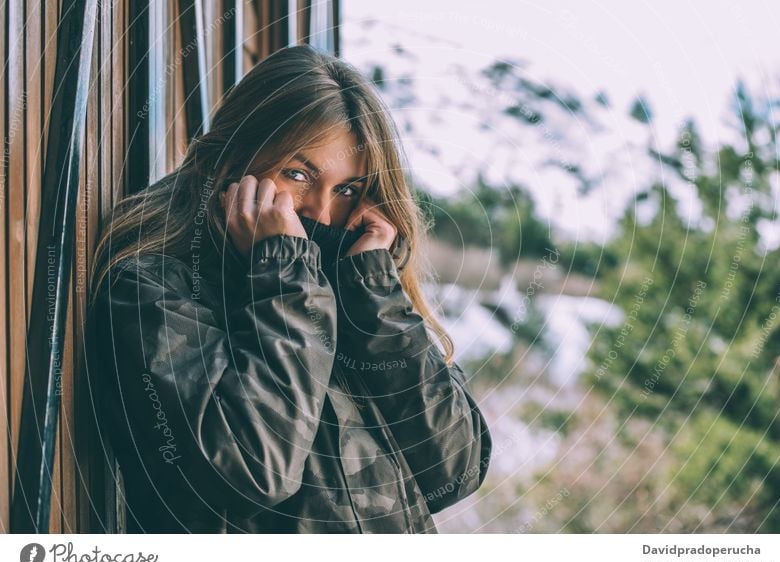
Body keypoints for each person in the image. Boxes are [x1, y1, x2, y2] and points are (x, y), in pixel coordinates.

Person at [87, 44, 492, 533]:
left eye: (347, 190)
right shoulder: (153, 289)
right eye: (297, 175)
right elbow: (253, 470)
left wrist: (376, 295)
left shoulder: (349, 286)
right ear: (234, 160)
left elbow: (455, 471)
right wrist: (285, 275)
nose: (322, 213)